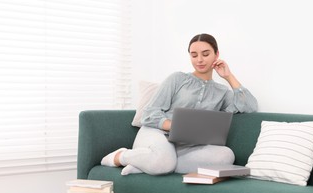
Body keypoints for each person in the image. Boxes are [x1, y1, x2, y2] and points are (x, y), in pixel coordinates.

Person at [101, 33, 258, 176]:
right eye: (194, 55)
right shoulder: (177, 79)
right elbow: (149, 113)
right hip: (156, 133)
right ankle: (122, 156)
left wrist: (228, 76)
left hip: (187, 146)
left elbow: (250, 106)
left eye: (205, 54)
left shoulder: (221, 92)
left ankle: (147, 165)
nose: (199, 60)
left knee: (226, 155)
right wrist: (175, 126)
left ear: (216, 55)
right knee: (164, 159)